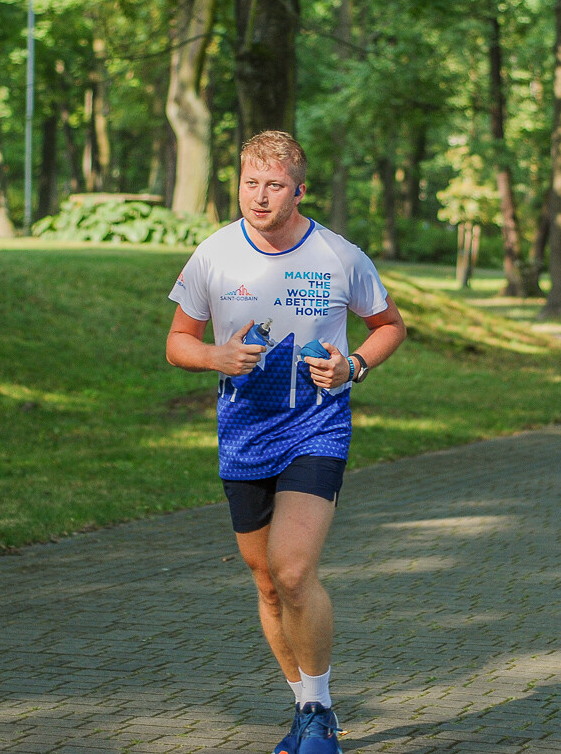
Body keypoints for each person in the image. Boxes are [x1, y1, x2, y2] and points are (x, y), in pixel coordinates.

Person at [167, 131, 406, 754]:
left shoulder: (338, 255)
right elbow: (177, 342)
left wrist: (352, 365)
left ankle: (321, 712)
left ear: (299, 190)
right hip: (243, 431)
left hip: (315, 425)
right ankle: (304, 708)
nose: (260, 196)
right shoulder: (214, 254)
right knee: (266, 582)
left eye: (275, 186)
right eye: (250, 183)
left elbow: (388, 326)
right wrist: (215, 354)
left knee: (294, 571)